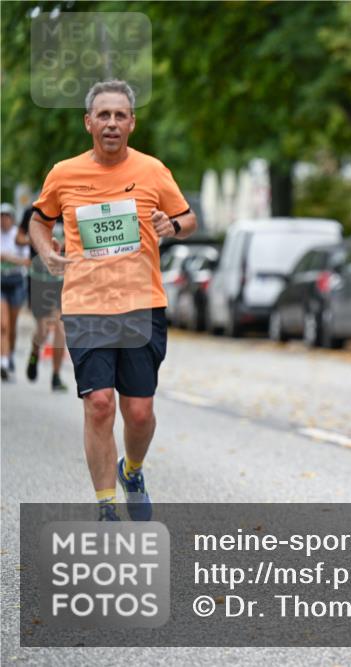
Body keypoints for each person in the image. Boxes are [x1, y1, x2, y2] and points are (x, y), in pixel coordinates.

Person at [29, 80, 197, 521]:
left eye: (120, 115)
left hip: (142, 303)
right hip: (86, 304)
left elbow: (187, 216)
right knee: (99, 403)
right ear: (88, 123)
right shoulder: (64, 174)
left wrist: (171, 226)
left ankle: (133, 470)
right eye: (103, 115)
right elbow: (38, 220)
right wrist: (46, 251)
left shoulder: (153, 170)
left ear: (132, 122)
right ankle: (106, 507)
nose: (111, 122)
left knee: (138, 413)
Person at [18, 207, 68, 391]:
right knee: (43, 329)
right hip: (39, 277)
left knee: (61, 327)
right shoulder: (32, 211)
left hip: (61, 278)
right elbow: (19, 237)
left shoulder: (69, 209)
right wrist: (41, 243)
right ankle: (34, 353)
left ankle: (56, 376)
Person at [1, 202, 31, 381]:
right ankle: (3, 361)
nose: (3, 220)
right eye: (1, 217)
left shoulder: (17, 236)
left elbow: (27, 261)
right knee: (2, 324)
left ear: (12, 219)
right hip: (1, 281)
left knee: (12, 326)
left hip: (16, 282)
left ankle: (9, 354)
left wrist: (8, 258)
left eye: (6, 217)